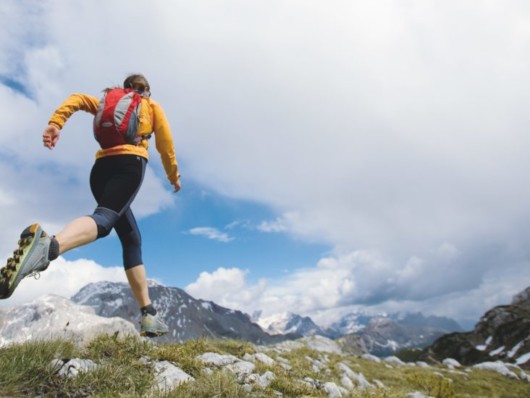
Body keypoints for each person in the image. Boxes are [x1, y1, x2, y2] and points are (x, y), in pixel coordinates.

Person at [0, 74, 181, 337]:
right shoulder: (150, 106)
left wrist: (55, 123)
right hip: (129, 166)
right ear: (146, 91)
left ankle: (148, 315)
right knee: (104, 221)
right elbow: (166, 144)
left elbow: (75, 99)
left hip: (99, 173)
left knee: (131, 238)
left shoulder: (104, 101)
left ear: (124, 89)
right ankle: (48, 246)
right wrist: (174, 176)